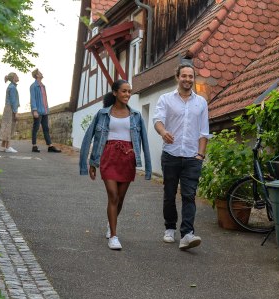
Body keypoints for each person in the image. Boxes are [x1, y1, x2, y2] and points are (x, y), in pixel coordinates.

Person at [79, 80, 152, 250]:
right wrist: (91, 162)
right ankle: (114, 235)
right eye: (124, 91)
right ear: (115, 93)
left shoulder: (136, 115)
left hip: (127, 158)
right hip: (108, 156)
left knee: (119, 199)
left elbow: (145, 142)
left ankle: (110, 224)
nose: (127, 95)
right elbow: (89, 137)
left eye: (129, 92)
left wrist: (145, 165)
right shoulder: (103, 114)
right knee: (112, 195)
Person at [153, 62, 211, 250]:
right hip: (171, 154)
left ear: (194, 79)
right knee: (169, 194)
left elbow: (204, 131)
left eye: (190, 76)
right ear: (177, 77)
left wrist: (201, 155)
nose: (187, 79)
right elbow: (158, 120)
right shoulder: (166, 99)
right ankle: (169, 228)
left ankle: (187, 234)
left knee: (189, 195)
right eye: (184, 76)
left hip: (192, 157)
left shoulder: (201, 102)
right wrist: (163, 132)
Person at [29, 68, 61, 153]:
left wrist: (47, 109)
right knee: (35, 128)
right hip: (38, 111)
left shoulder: (43, 86)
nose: (41, 73)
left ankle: (50, 146)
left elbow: (44, 99)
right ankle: (34, 146)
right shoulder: (33, 86)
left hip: (45, 111)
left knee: (46, 128)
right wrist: (34, 110)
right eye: (40, 73)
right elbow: (33, 99)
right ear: (37, 75)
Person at [0, 72, 19, 153]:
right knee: (9, 127)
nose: (18, 77)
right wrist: (16, 112)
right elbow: (13, 101)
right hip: (10, 108)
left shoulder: (10, 86)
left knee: (6, 126)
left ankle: (3, 146)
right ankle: (8, 147)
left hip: (7, 108)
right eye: (16, 76)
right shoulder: (13, 87)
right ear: (14, 78)